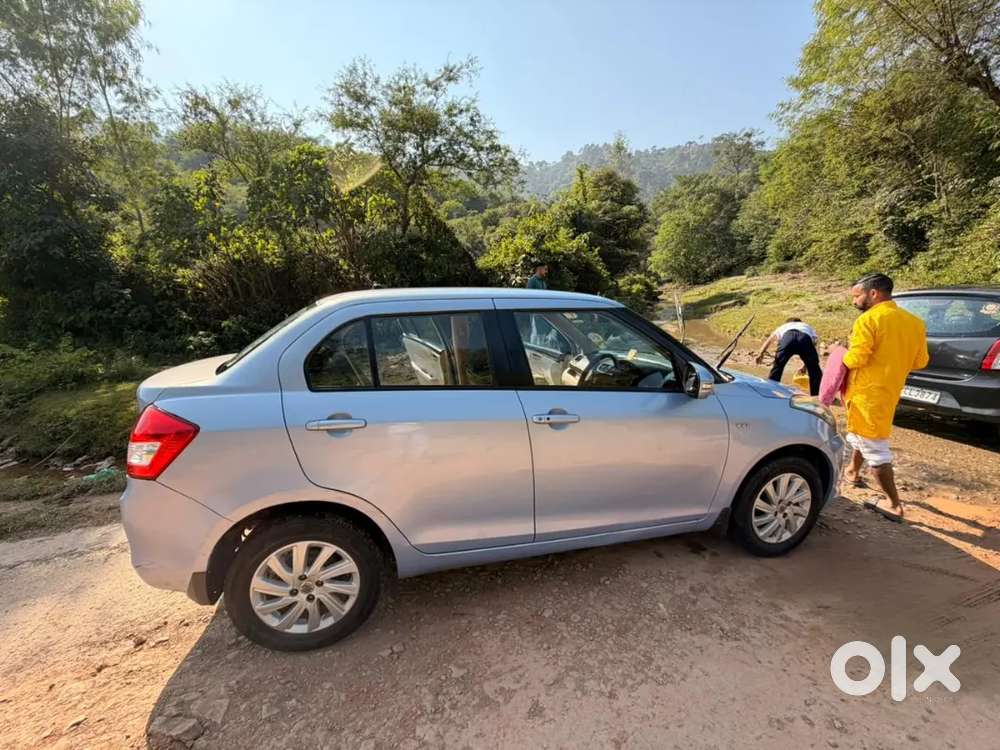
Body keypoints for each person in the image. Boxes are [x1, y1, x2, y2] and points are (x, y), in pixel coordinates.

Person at [842, 272, 929, 521]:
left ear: (873, 293)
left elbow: (856, 358)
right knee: (862, 435)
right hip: (890, 391)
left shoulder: (868, 320)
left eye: (856, 296)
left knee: (875, 448)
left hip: (866, 394)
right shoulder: (915, 322)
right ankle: (852, 472)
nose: (854, 301)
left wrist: (838, 354)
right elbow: (921, 361)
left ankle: (894, 505)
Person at [755, 317, 822, 395]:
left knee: (777, 367)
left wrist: (761, 353)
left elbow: (769, 340)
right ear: (800, 322)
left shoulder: (783, 326)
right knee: (814, 371)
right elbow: (813, 344)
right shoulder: (806, 326)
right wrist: (805, 366)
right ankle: (816, 396)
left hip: (788, 338)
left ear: (787, 323)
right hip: (804, 339)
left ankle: (770, 392)